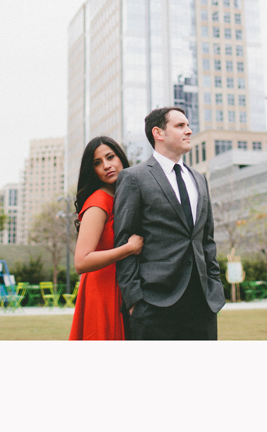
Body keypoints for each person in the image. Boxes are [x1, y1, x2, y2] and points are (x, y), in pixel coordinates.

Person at [114, 107, 225, 340]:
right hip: (153, 305)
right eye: (180, 126)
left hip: (202, 305)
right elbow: (124, 241)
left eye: (188, 125)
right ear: (158, 133)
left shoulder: (199, 178)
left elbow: (207, 240)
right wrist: (135, 301)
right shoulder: (134, 178)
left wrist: (214, 285)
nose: (189, 131)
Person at [69, 136, 144, 340]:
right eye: (97, 163)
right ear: (92, 171)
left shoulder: (120, 197)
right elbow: (81, 261)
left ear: (120, 158)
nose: (106, 166)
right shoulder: (99, 201)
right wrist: (129, 249)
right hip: (102, 290)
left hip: (121, 286)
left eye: (110, 157)